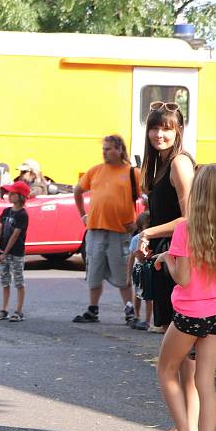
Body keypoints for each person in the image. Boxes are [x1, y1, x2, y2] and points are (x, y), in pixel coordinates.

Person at [152, 164, 216, 431]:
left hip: (190, 313)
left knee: (166, 369)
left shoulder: (186, 228)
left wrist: (168, 259)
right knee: (206, 383)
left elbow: (183, 277)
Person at [136, 101, 197, 431]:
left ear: (178, 131)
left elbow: (188, 217)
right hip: (165, 256)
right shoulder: (158, 164)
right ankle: (181, 429)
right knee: (179, 352)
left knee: (183, 353)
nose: (160, 134)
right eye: (155, 127)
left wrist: (148, 233)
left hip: (179, 261)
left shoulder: (179, 163)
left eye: (168, 128)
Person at [72, 134, 139, 324]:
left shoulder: (133, 173)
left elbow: (147, 197)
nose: (105, 152)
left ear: (119, 150)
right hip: (95, 230)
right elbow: (78, 191)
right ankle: (92, 309)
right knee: (94, 270)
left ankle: (130, 311)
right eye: (104, 149)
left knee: (122, 272)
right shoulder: (95, 171)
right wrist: (82, 215)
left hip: (119, 231)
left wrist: (140, 222)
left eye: (108, 149)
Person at [0, 180, 30, 322]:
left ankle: (19, 311)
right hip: (3, 250)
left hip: (16, 252)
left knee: (18, 281)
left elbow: (15, 235)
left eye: (13, 193)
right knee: (5, 281)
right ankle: (4, 309)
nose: (9, 195)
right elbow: (0, 228)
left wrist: (5, 252)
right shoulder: (6, 211)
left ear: (21, 196)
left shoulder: (22, 215)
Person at [127, 211, 153, 331]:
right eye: (147, 226)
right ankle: (137, 316)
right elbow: (131, 258)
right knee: (137, 294)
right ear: (140, 226)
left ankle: (147, 320)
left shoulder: (153, 238)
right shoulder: (136, 239)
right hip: (139, 270)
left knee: (148, 296)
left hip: (148, 270)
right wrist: (128, 276)